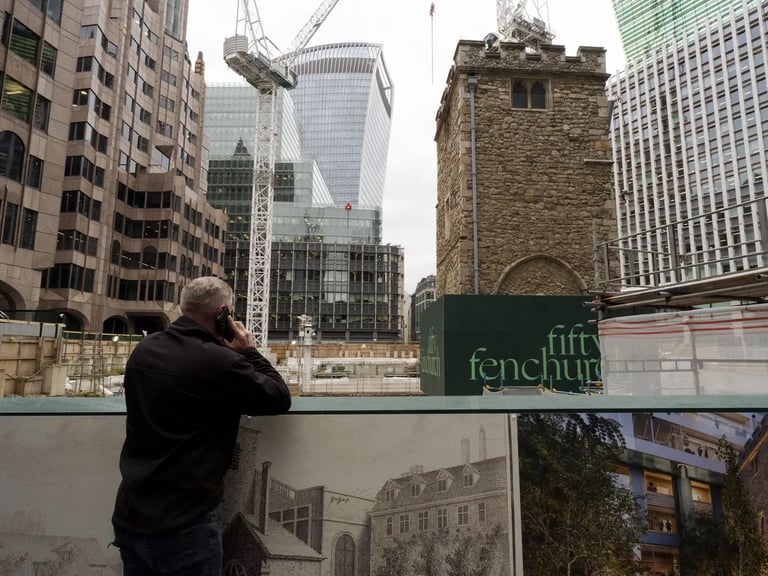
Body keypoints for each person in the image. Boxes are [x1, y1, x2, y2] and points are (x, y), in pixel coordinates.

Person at [112, 276, 291, 576]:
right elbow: (278, 396)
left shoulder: (144, 350)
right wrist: (248, 351)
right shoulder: (218, 362)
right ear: (223, 314)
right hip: (185, 524)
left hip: (132, 515)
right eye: (230, 315)